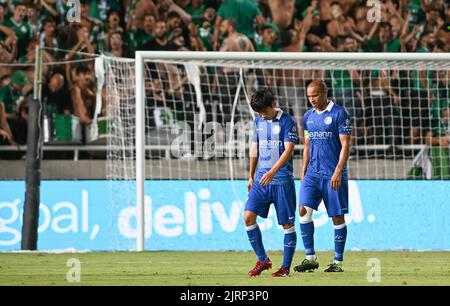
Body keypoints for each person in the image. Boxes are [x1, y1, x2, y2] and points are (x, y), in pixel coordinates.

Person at [293, 80, 351, 273]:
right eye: (309, 96)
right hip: (312, 174)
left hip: (333, 174)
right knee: (303, 211)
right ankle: (310, 258)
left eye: (315, 95)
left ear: (325, 92)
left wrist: (338, 170)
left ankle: (338, 262)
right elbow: (307, 145)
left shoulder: (339, 114)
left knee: (336, 217)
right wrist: (303, 170)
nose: (312, 100)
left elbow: (345, 145)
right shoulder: (308, 116)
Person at [244, 88, 298, 277]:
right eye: (258, 113)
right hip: (260, 180)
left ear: (273, 105)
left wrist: (273, 171)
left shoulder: (287, 122)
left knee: (287, 225)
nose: (261, 115)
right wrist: (251, 175)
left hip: (282, 181)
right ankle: (263, 259)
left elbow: (289, 149)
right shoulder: (258, 120)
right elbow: (254, 147)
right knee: (248, 217)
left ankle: (285, 268)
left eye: (264, 111)